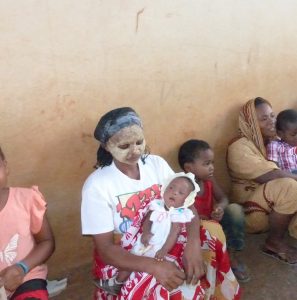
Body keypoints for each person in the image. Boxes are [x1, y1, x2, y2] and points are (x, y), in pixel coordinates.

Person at [81, 107, 240, 300]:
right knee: (170, 289)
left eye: (139, 142)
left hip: (169, 237)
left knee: (212, 236)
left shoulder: (156, 164)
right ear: (107, 146)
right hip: (130, 255)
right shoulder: (97, 185)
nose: (135, 151)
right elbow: (105, 249)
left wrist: (193, 243)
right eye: (124, 146)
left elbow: (187, 205)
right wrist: (154, 266)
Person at [95, 172, 199, 296]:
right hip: (146, 239)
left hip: (160, 245)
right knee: (132, 258)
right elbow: (148, 220)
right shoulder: (158, 205)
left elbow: (174, 234)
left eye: (181, 193)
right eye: (171, 188)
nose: (174, 192)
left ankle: (136, 289)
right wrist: (145, 233)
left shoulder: (179, 214)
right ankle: (117, 282)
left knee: (147, 270)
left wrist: (164, 250)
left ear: (186, 200)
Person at [227, 97, 297, 265]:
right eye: (264, 119)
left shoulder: (274, 142)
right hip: (252, 214)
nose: (272, 122)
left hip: (276, 205)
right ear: (250, 122)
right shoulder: (239, 147)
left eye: (272, 116)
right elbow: (272, 175)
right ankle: (273, 243)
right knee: (290, 186)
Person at [178, 139, 249, 282]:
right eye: (206, 164)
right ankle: (211, 264)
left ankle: (231, 256)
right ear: (189, 168)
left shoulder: (209, 180)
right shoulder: (183, 188)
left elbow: (223, 198)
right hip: (198, 233)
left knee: (234, 210)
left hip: (215, 222)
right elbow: (181, 218)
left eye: (212, 163)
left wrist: (219, 208)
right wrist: (201, 220)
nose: (211, 168)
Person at [0, 146, 55, 299]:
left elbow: (46, 242)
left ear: (5, 166)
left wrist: (21, 268)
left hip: (26, 277)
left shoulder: (27, 200)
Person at [266, 109, 297, 173]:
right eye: (293, 134)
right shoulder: (274, 146)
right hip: (288, 175)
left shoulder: (293, 145)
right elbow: (273, 167)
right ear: (280, 134)